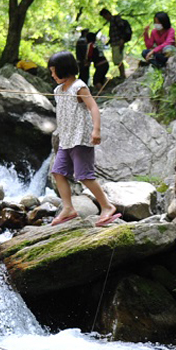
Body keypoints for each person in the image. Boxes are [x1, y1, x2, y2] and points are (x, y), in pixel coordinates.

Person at [46, 51, 120, 227]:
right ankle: (68, 208)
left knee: (84, 176)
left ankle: (107, 206)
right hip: (66, 139)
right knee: (58, 172)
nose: (52, 75)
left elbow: (93, 107)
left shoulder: (79, 87)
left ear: (64, 70)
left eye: (54, 71)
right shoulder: (58, 90)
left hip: (80, 138)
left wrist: (96, 130)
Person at [99, 8, 133, 78]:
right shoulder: (112, 22)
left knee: (118, 60)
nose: (105, 18)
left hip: (118, 42)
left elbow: (122, 29)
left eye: (105, 16)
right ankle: (122, 74)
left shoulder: (116, 19)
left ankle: (122, 75)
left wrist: (122, 39)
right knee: (116, 60)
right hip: (114, 43)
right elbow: (114, 33)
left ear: (107, 14)